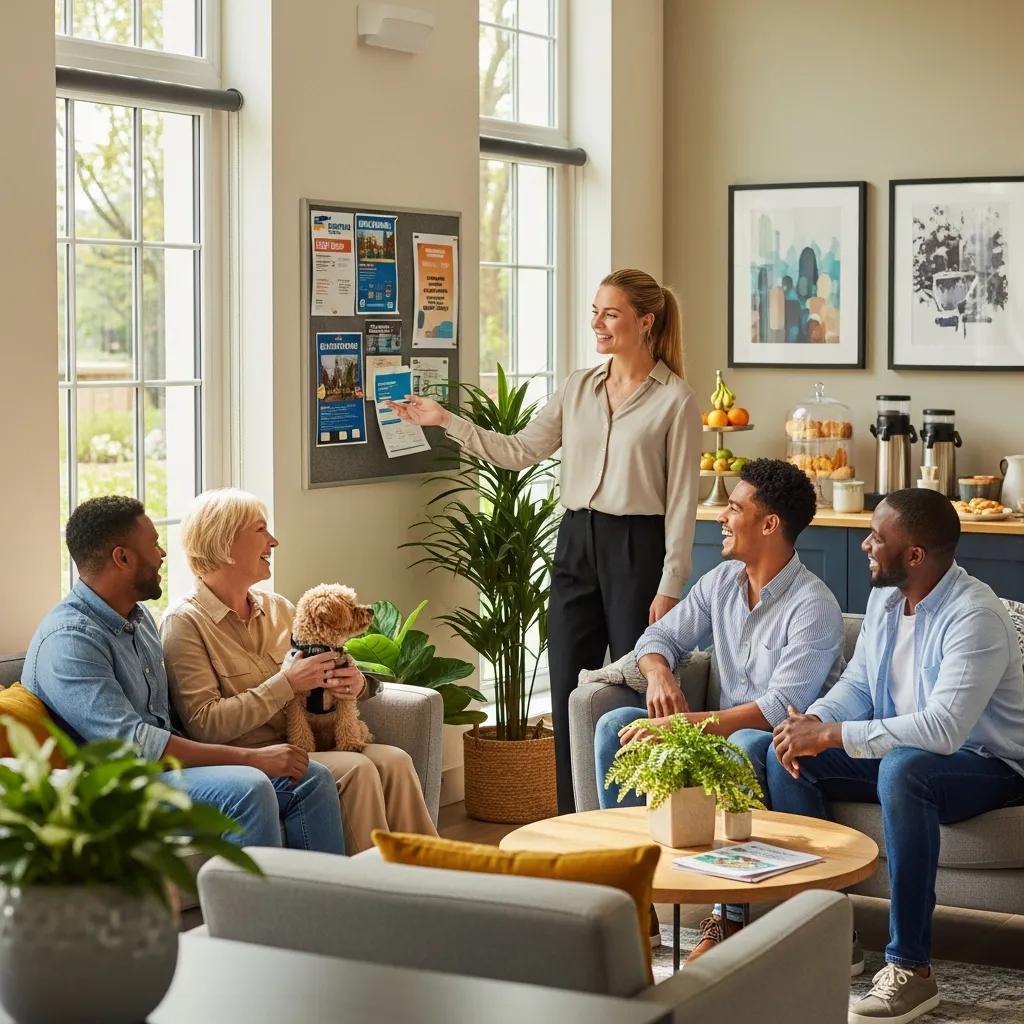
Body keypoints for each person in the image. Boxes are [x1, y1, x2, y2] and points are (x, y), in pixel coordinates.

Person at [383, 268, 702, 813]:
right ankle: (570, 820)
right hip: (576, 541)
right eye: (594, 311)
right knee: (567, 686)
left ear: (645, 322)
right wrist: (445, 421)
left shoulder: (675, 399)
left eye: (610, 313)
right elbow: (519, 450)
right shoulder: (579, 386)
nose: (597, 323)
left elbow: (682, 503)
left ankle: (641, 819)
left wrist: (670, 585)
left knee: (630, 687)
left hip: (638, 548)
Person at [767, 488, 1024, 1024]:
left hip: (987, 766)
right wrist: (811, 723)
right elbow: (858, 685)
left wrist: (834, 735)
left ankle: (912, 969)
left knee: (905, 768)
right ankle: (832, 933)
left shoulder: (975, 615)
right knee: (777, 749)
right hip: (903, 756)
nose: (864, 543)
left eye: (876, 537)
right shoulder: (887, 598)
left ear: (914, 555)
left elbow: (943, 729)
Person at [593, 458, 845, 960]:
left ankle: (726, 917)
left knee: (744, 745)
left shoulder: (813, 606)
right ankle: (633, 904)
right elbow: (658, 636)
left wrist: (683, 726)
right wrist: (660, 672)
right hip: (712, 734)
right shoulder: (722, 581)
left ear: (769, 524)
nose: (721, 518)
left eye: (733, 508)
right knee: (612, 727)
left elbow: (778, 709)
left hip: (772, 741)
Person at [23, 496, 344, 853]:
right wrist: (252, 758)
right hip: (117, 786)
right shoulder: (70, 641)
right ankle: (257, 910)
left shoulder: (138, 617)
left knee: (310, 778)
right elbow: (135, 745)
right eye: (153, 544)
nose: (162, 554)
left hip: (166, 771)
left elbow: (169, 719)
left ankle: (325, 904)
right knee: (249, 789)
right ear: (122, 558)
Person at [160, 488, 437, 855]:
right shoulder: (185, 624)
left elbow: (331, 665)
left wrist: (358, 685)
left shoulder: (279, 608)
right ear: (225, 543)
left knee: (395, 761)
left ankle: (433, 881)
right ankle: (369, 897)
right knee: (358, 769)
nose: (273, 541)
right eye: (261, 530)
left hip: (313, 743)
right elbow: (204, 724)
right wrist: (286, 683)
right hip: (258, 758)